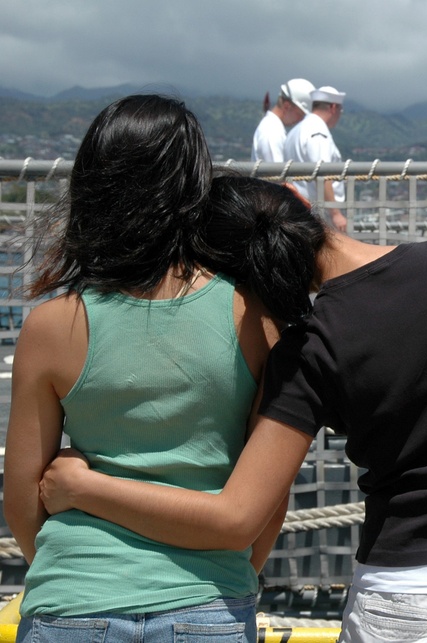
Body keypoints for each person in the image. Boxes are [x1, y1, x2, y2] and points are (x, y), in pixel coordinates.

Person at [38, 176, 427, 643]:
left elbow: (238, 514)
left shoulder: (306, 347)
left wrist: (83, 487)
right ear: (301, 204)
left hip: (404, 597)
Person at [5, 95, 296, 642]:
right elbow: (269, 501)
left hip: (72, 602)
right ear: (195, 188)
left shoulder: (52, 326)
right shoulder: (254, 318)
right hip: (208, 601)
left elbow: (23, 503)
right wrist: (226, 577)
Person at [285, 86, 349, 232]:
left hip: (299, 207)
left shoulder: (296, 130)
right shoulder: (318, 132)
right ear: (333, 107)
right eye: (340, 110)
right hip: (319, 212)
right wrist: (336, 213)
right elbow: (323, 173)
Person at [251, 78, 315, 163]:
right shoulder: (272, 132)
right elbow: (276, 173)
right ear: (286, 106)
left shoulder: (273, 128)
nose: (300, 120)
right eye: (300, 114)